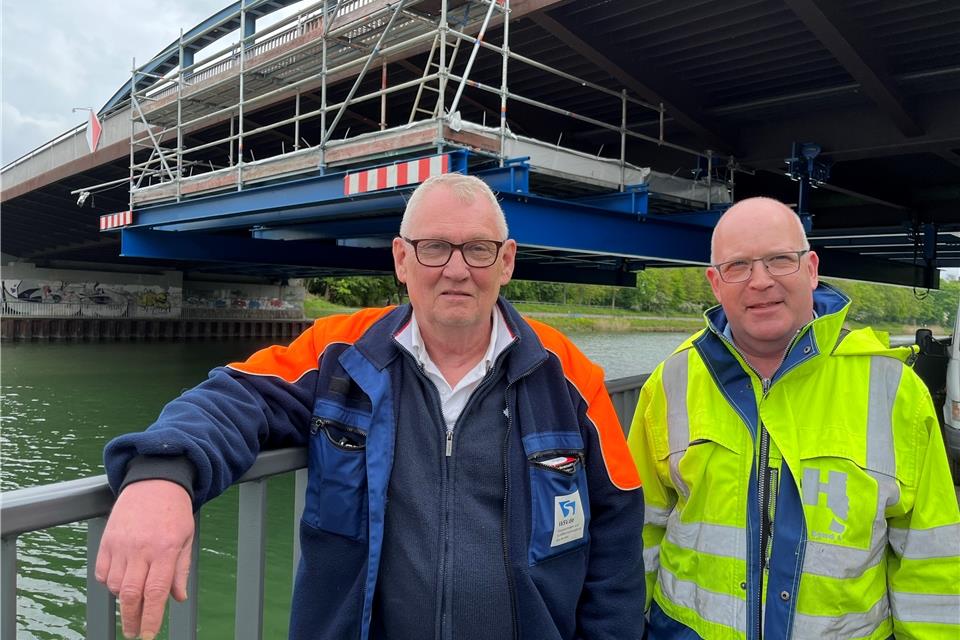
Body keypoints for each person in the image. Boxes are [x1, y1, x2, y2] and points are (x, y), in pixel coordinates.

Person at [96, 173, 645, 640]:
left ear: (506, 262)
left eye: (478, 249)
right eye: (434, 248)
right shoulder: (341, 354)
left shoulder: (567, 374)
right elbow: (236, 395)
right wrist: (162, 473)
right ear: (402, 259)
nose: (456, 269)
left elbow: (616, 534)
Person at [628, 197, 960, 639]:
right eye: (738, 266)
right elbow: (635, 536)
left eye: (780, 260)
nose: (760, 282)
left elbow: (930, 566)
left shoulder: (895, 392)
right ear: (715, 282)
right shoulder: (670, 382)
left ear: (812, 268)